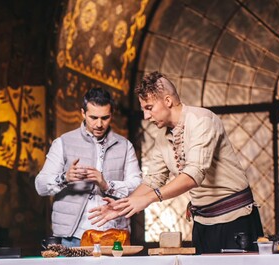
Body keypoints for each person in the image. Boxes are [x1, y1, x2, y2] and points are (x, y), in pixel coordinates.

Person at [89, 71, 263, 253]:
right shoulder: (162, 135)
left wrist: (147, 200)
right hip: (202, 223)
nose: (146, 116)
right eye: (143, 110)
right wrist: (123, 205)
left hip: (236, 221)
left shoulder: (201, 120)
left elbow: (193, 175)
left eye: (149, 107)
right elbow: (153, 179)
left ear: (168, 101)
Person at [35, 87, 142, 247]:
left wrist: (107, 185)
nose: (99, 124)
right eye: (93, 117)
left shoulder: (125, 146)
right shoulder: (63, 143)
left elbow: (138, 188)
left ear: (111, 115)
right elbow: (40, 186)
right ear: (83, 113)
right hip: (72, 236)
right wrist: (65, 178)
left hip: (114, 234)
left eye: (105, 118)